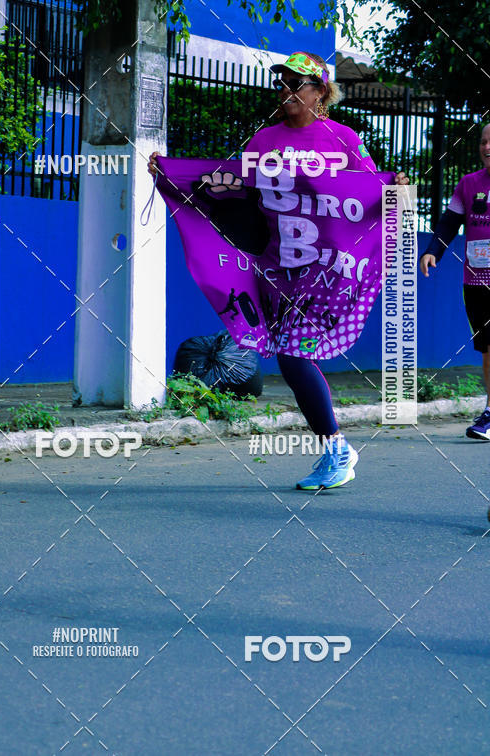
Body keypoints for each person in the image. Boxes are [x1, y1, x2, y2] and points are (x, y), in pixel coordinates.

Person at [150, 50, 408, 490]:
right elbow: (237, 199)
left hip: (326, 270)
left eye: (298, 84)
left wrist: (396, 189)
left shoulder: (343, 139)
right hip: (277, 269)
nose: (287, 91)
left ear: (321, 91)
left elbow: (370, 192)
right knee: (290, 362)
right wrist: (171, 175)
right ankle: (336, 448)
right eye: (282, 83)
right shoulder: (263, 141)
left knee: (292, 357)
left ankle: (336, 450)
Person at [420, 123, 490, 440]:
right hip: (476, 282)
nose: (486, 147)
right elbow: (449, 222)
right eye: (483, 141)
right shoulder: (468, 183)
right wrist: (433, 251)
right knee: (488, 349)